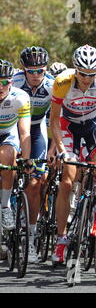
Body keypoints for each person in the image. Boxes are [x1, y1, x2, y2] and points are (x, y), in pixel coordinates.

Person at [50, 45, 96, 263]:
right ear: (76, 70)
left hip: (95, 125)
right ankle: (61, 239)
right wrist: (62, 150)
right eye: (83, 74)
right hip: (68, 125)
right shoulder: (63, 81)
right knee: (67, 180)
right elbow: (54, 120)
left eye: (91, 74)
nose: (86, 78)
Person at [12, 46, 54, 263]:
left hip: (37, 131)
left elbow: (58, 119)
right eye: (32, 71)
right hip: (11, 128)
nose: (37, 75)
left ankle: (30, 235)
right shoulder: (14, 82)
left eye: (41, 71)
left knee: (36, 183)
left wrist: (55, 147)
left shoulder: (53, 85)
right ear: (23, 70)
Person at [0, 59, 32, 233]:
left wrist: (26, 160)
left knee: (7, 157)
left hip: (8, 134)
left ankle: (5, 207)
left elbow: (25, 132)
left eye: (4, 82)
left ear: (11, 82)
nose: (1, 87)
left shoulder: (20, 97)